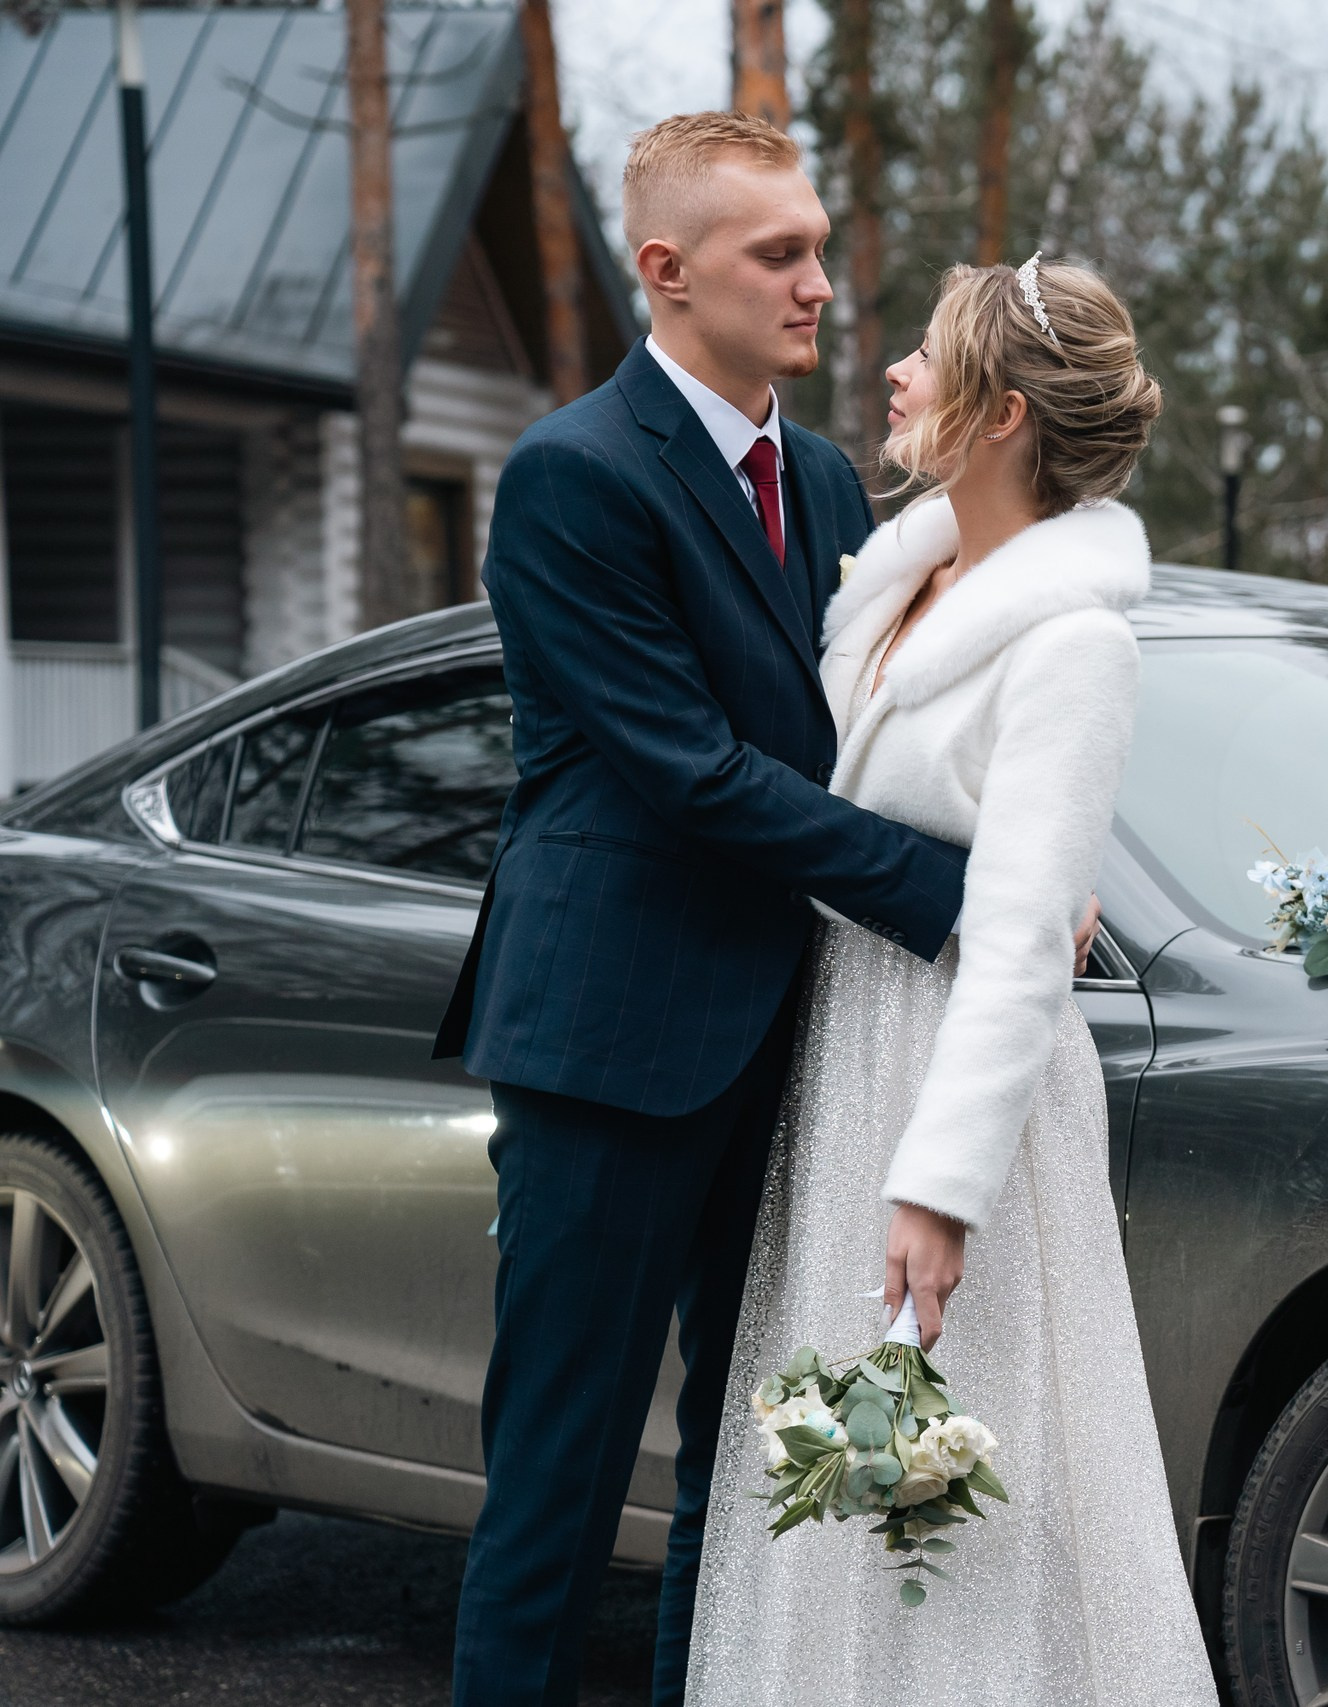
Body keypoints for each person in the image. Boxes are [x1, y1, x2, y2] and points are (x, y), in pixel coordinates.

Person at [435, 112, 1091, 1705]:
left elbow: (890, 733)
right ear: (666, 274)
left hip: (796, 1046)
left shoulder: (822, 480)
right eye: (776, 253)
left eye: (817, 244)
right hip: (608, 1042)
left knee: (750, 1496)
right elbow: (699, 774)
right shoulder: (570, 477)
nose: (818, 281)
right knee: (555, 1497)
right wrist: (962, 898)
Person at [681, 257, 1216, 1703]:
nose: (896, 376)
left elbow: (1031, 931)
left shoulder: (1075, 639)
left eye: (926, 357)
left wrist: (942, 1182)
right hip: (845, 1052)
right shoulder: (901, 578)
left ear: (999, 417)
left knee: (959, 1480)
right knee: (840, 1475)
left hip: (958, 1085)